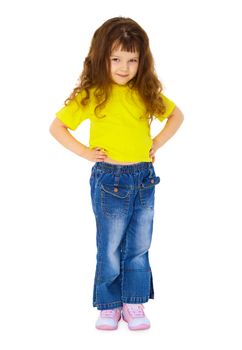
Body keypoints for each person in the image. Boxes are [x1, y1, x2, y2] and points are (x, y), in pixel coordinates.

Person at [49, 16, 184, 331]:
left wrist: (156, 144)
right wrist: (85, 152)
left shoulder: (145, 91)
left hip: (144, 178)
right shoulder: (93, 93)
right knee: (110, 245)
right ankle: (109, 305)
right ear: (101, 58)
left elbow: (177, 115)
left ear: (142, 61)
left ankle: (133, 302)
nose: (124, 67)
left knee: (139, 244)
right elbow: (57, 127)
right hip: (109, 179)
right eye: (116, 59)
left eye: (132, 59)